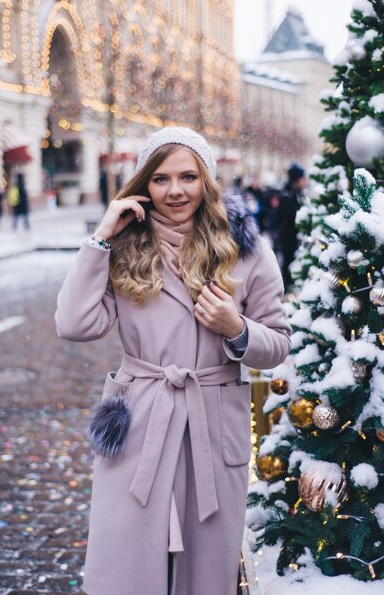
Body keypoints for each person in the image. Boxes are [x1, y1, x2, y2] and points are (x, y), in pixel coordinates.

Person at [55, 126, 291, 595]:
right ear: (144, 184)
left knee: (203, 573)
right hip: (140, 417)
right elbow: (75, 324)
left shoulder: (245, 249)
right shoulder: (123, 246)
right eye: (161, 179)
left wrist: (236, 328)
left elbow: (279, 342)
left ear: (206, 180)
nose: (175, 191)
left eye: (188, 177)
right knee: (129, 566)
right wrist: (102, 235)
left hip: (211, 419)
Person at [278, 162, 308, 290]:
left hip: (293, 234)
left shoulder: (297, 193)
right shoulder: (288, 194)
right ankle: (287, 284)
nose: (305, 181)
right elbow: (289, 215)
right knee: (288, 259)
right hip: (289, 235)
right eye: (302, 178)